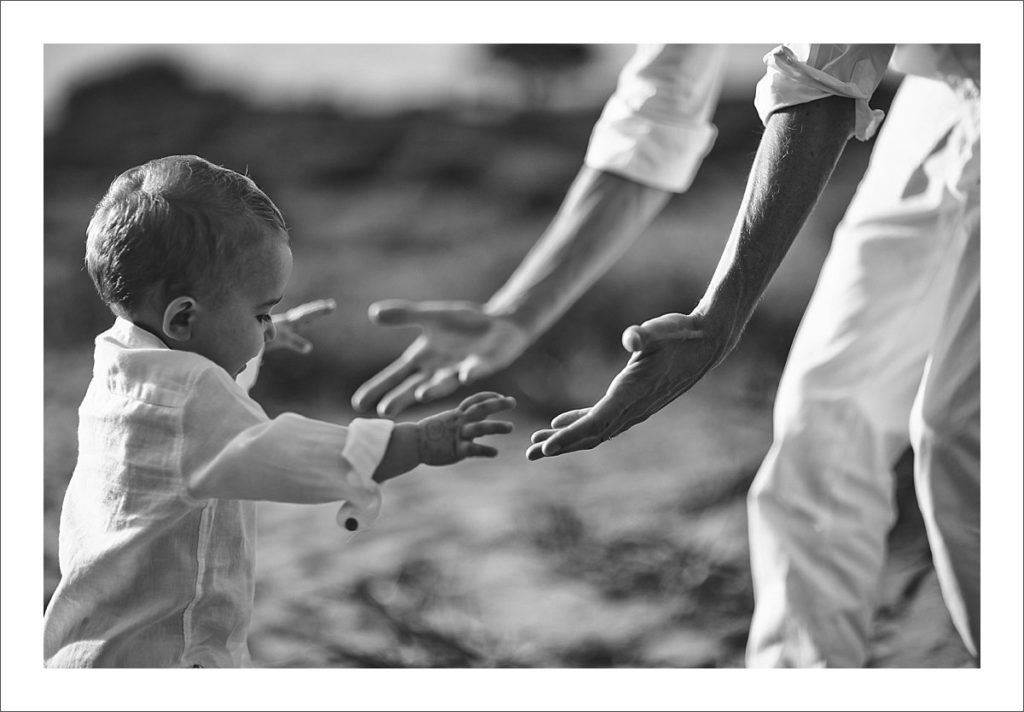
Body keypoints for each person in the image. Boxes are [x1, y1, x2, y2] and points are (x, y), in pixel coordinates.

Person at [353, 44, 980, 667]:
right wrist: (518, 314)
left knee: (958, 432)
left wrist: (718, 318)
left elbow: (824, 85)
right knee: (822, 425)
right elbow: (656, 111)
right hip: (936, 96)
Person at [42, 155, 516, 667]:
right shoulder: (187, 402)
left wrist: (253, 335)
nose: (267, 326)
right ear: (182, 319)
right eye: (260, 313)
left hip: (91, 651)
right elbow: (287, 451)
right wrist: (416, 442)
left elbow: (206, 383)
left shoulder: (124, 365)